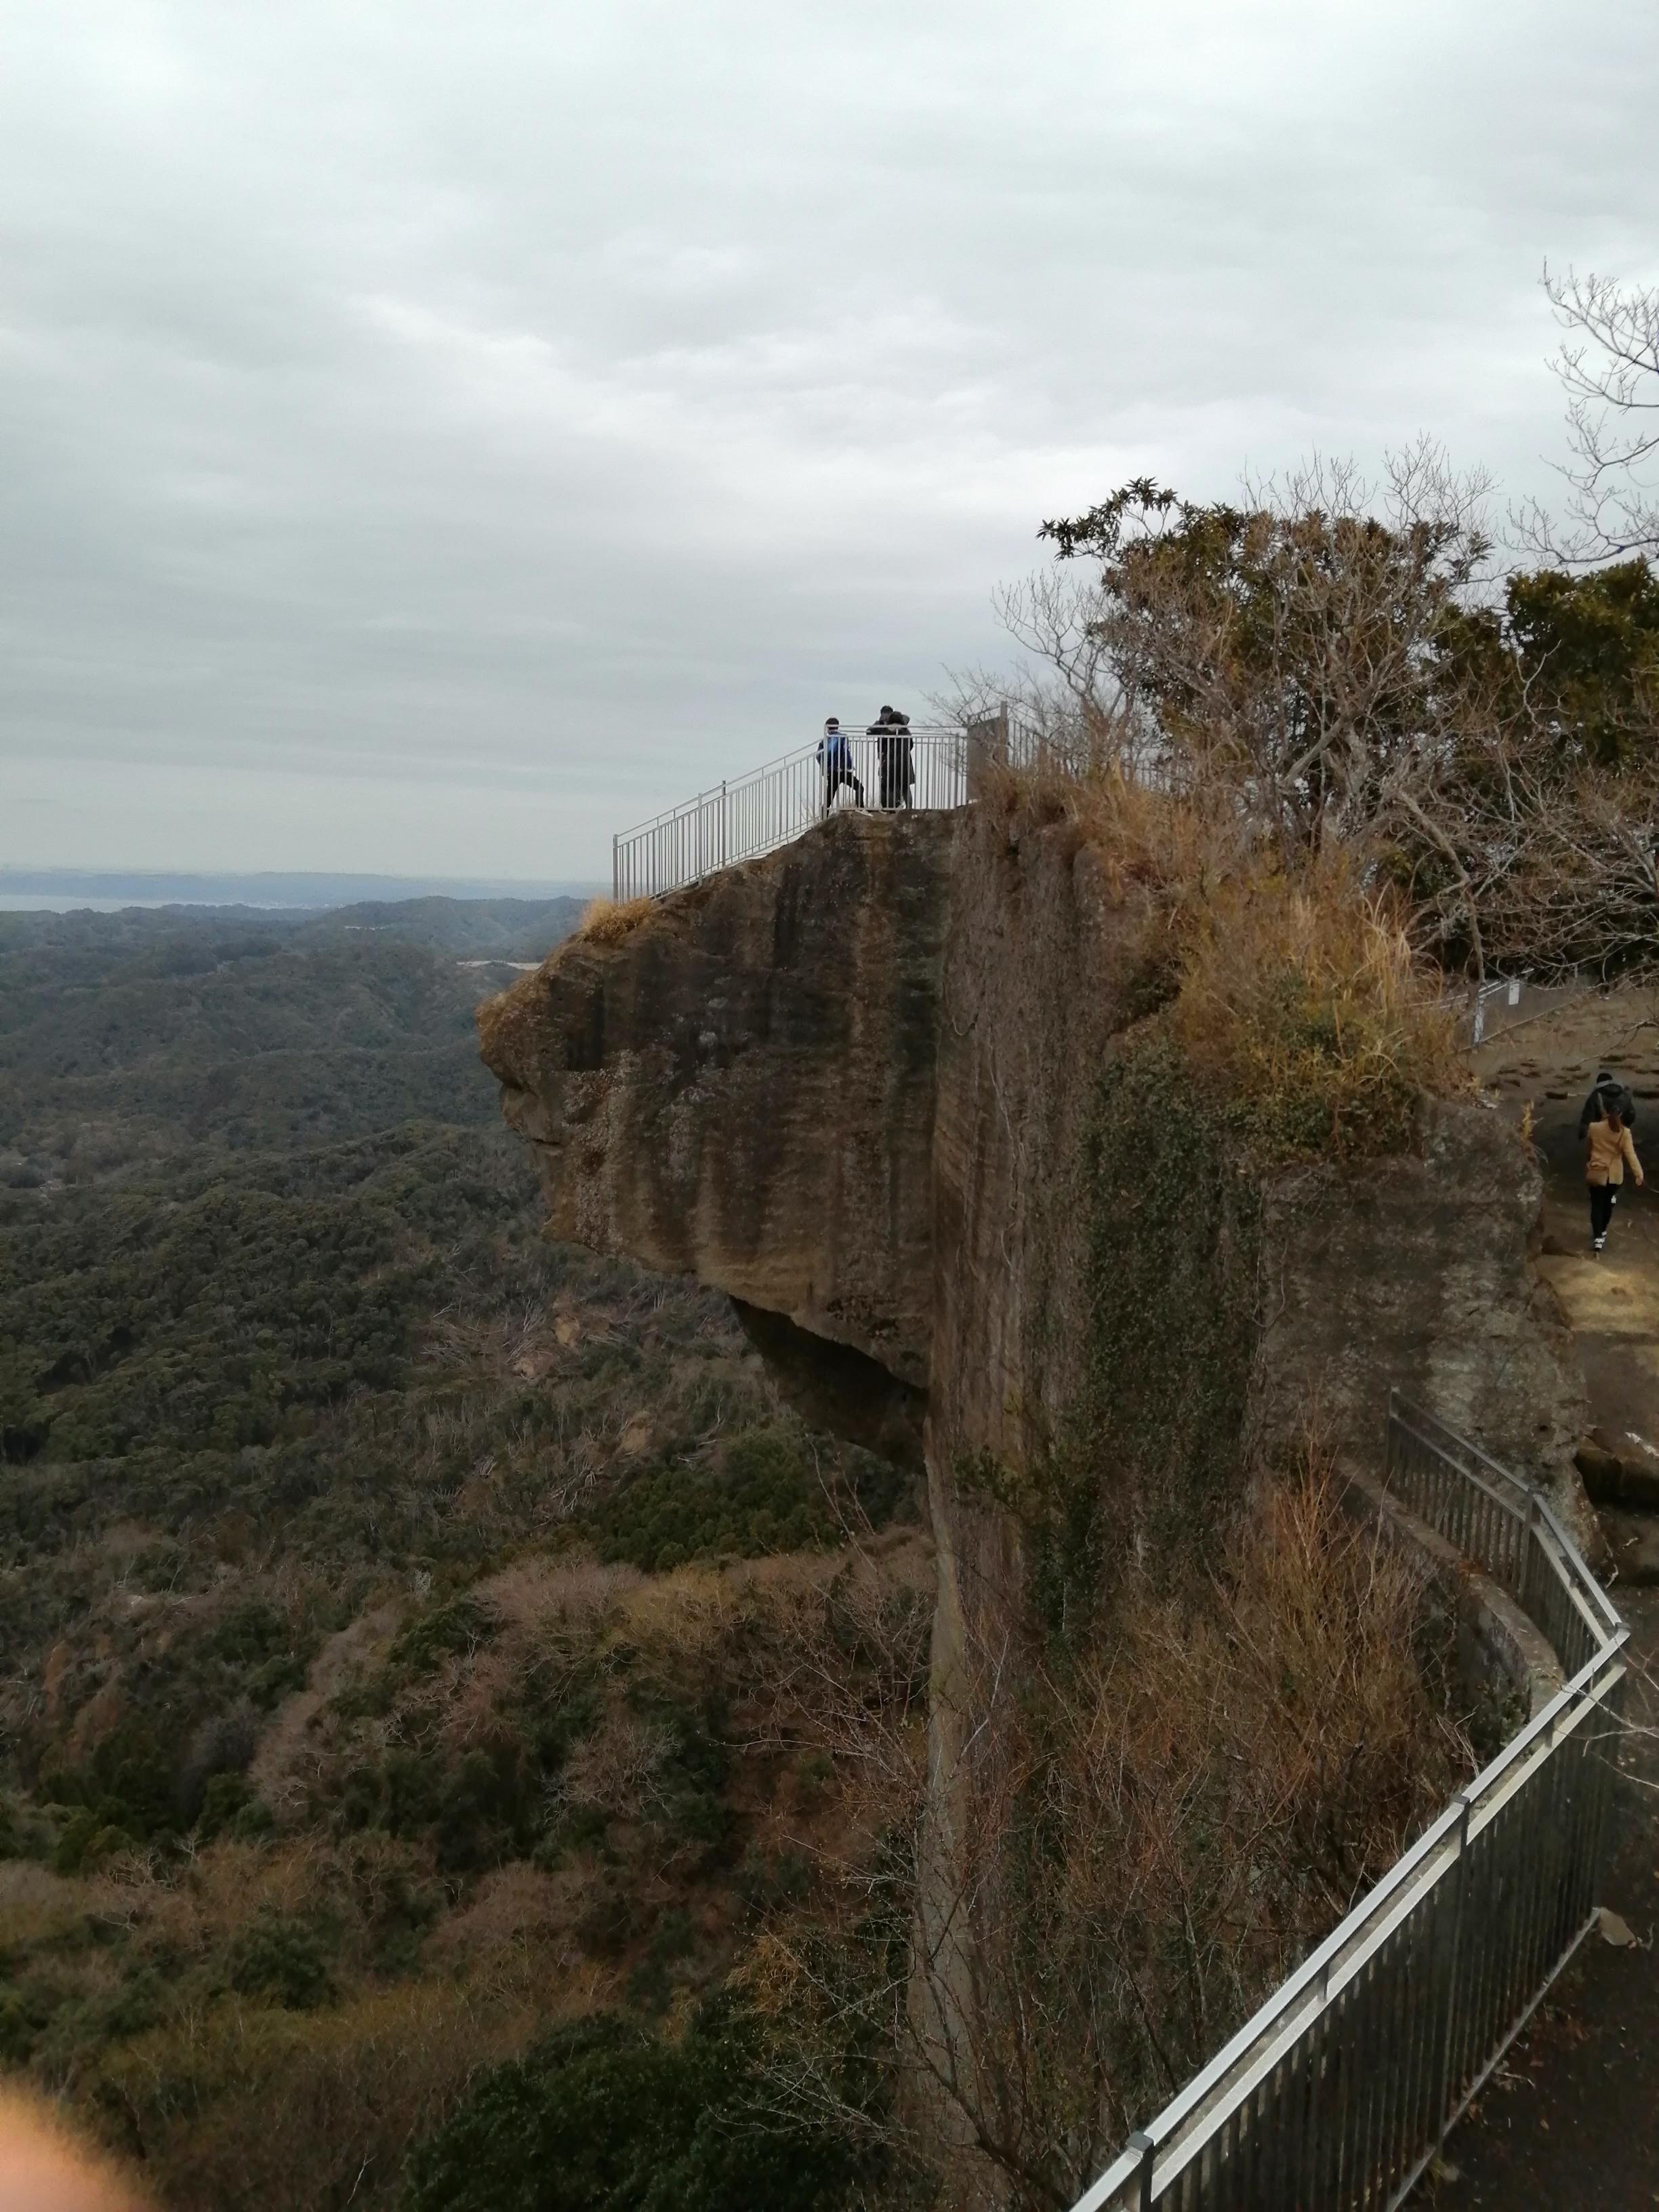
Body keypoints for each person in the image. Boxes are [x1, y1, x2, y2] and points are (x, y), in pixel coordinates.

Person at [1585, 1101, 1643, 1252]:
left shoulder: (1594, 1127)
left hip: (1597, 1171)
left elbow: (1589, 1148)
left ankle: (1598, 1237)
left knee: (1596, 1204)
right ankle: (1603, 1230)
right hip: (1614, 1176)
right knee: (1607, 1203)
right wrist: (1638, 1173)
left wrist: (1588, 1163)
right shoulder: (1625, 1133)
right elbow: (1630, 1155)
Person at [869, 705, 915, 811]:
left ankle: (891, 809)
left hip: (890, 762)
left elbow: (882, 747)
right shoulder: (906, 732)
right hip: (905, 762)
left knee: (889, 786)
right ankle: (909, 809)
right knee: (905, 787)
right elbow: (911, 745)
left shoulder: (885, 731)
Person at [817, 716, 864, 813]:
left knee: (830, 795)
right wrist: (849, 766)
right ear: (837, 726)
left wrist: (825, 769)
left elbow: (818, 756)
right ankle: (861, 807)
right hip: (843, 770)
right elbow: (845, 752)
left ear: (827, 728)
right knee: (859, 787)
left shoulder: (824, 741)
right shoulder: (843, 737)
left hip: (832, 772)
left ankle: (824, 815)